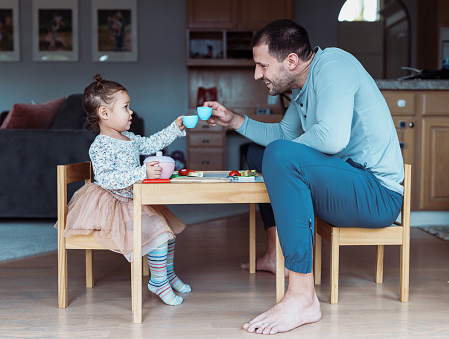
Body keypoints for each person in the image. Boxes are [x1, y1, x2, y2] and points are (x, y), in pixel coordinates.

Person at [204, 19, 404, 334]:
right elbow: (282, 134)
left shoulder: (333, 65)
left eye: (262, 66)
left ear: (292, 61)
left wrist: (281, 158)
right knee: (260, 153)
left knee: (280, 156)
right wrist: (234, 120)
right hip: (346, 182)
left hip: (377, 194)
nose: (258, 75)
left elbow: (332, 139)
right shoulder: (303, 85)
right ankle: (274, 254)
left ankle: (302, 297)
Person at [63, 74, 190, 306]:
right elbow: (107, 179)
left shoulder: (129, 138)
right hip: (113, 204)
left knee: (168, 236)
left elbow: (151, 143)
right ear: (104, 113)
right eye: (125, 107)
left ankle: (167, 275)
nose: (131, 112)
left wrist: (174, 128)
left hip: (133, 199)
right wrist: (142, 173)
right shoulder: (100, 145)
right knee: (160, 234)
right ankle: (158, 282)